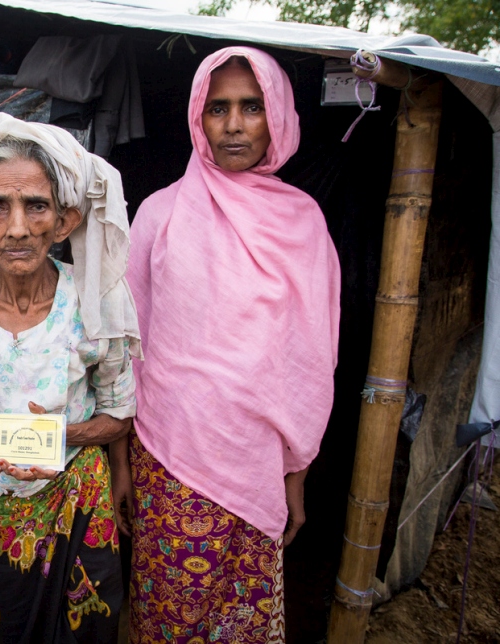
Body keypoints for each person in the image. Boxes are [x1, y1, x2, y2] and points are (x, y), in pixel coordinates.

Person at [121, 47, 342, 643]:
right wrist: (121, 463)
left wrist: (295, 473)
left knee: (239, 622)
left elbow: (312, 361)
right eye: (218, 108)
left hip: (258, 464)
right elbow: (127, 345)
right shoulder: (159, 215)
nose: (235, 124)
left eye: (252, 106)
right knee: (170, 617)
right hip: (169, 459)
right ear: (198, 116)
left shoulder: (304, 223)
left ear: (277, 117)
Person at [0, 112, 141, 644]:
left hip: (75, 497)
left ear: (65, 221)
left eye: (36, 205)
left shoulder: (97, 299)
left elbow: (120, 412)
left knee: (89, 632)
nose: (17, 227)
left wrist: (62, 434)